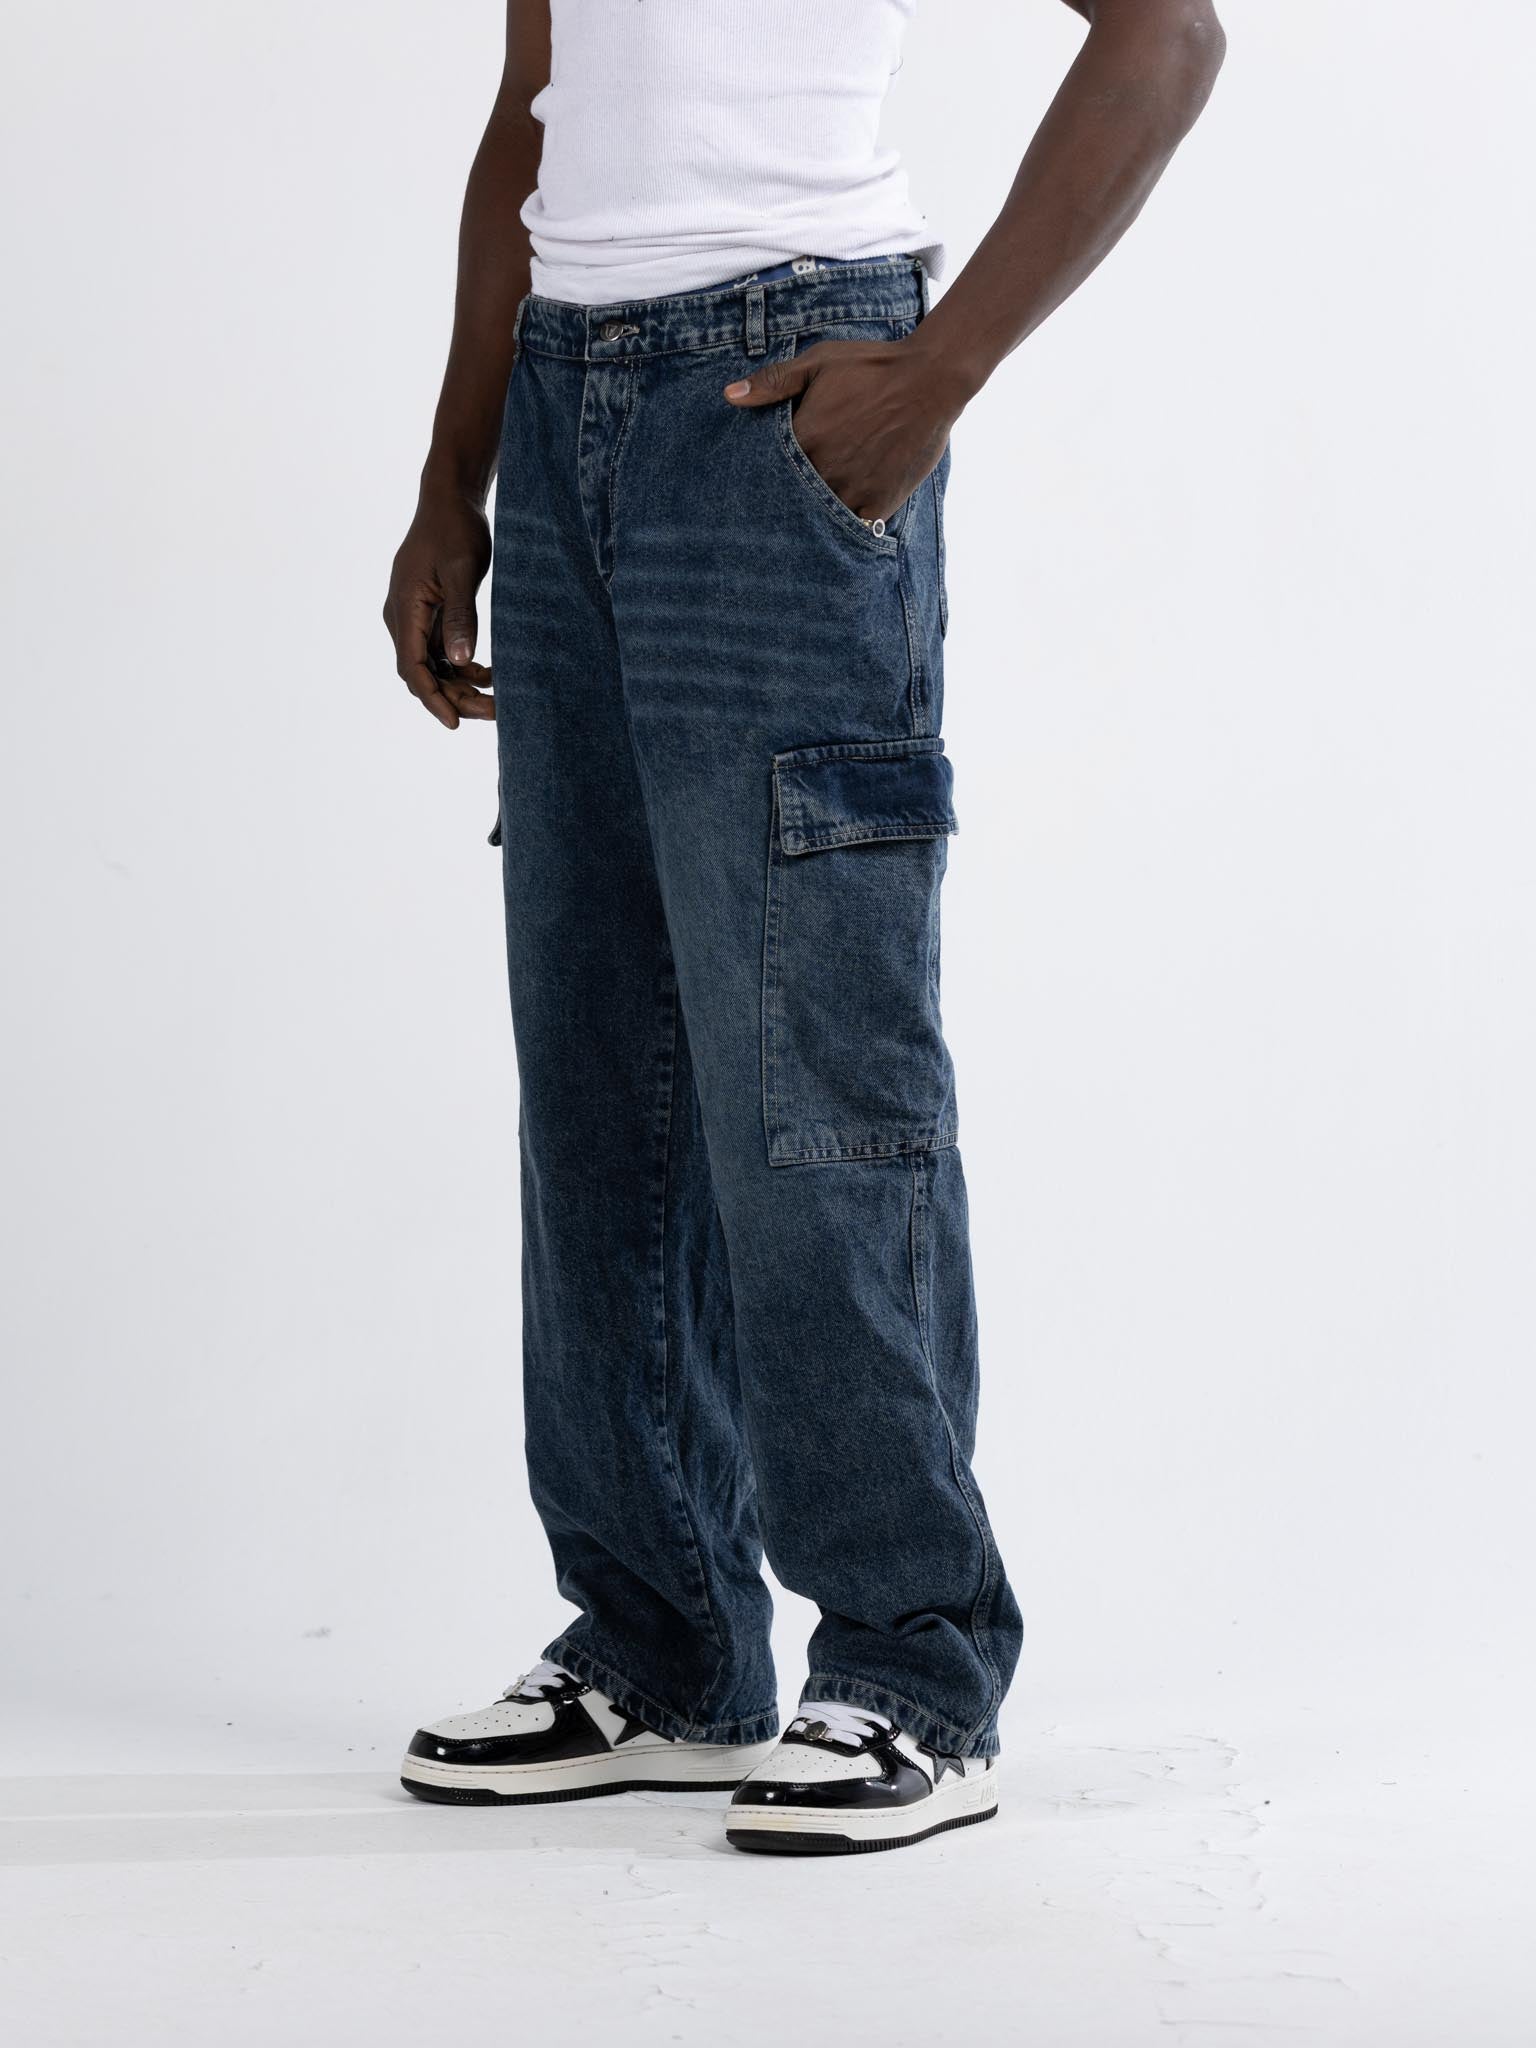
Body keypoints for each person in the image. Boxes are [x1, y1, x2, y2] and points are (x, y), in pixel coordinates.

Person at [383, 0, 1223, 1856]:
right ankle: (662, 1645)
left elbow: (1167, 35)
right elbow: (531, 107)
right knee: (598, 1064)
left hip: (779, 388)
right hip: (562, 401)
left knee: (812, 1064)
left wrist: (942, 368)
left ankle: (914, 1667)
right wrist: (456, 477)